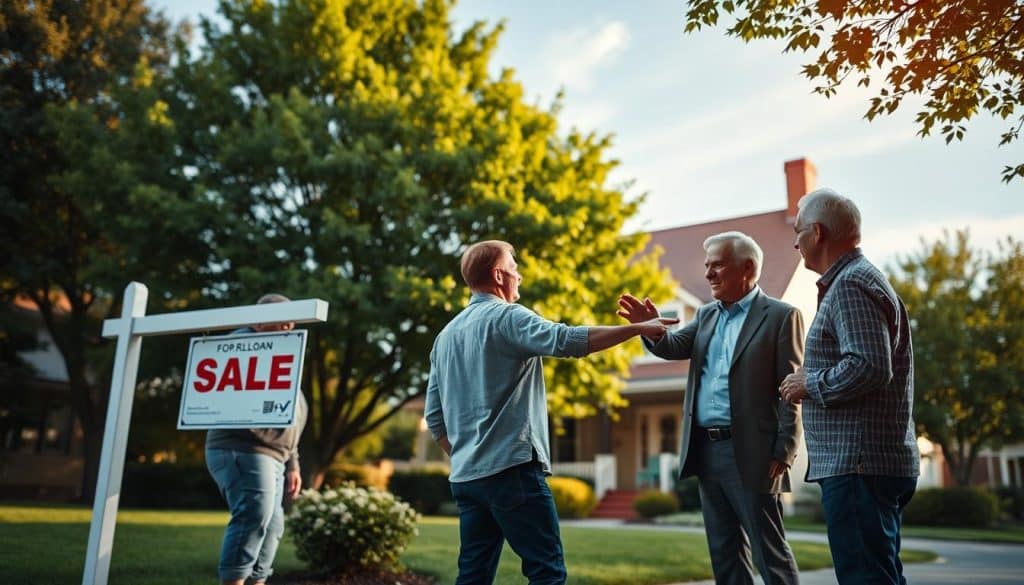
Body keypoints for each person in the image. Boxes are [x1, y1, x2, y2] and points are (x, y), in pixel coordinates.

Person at [424, 240, 678, 585]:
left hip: (467, 479)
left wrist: (469, 456)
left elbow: (435, 419)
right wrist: (636, 329)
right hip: (511, 471)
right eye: (514, 267)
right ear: (499, 275)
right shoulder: (506, 316)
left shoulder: (445, 336)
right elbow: (567, 340)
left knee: (473, 575)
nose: (520, 275)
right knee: (546, 571)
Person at [619, 231, 804, 585]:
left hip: (755, 453)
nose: (708, 274)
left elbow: (791, 387)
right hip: (707, 450)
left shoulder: (781, 316)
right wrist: (652, 330)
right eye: (707, 266)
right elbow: (672, 347)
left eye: (717, 265)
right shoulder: (705, 316)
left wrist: (785, 448)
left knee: (770, 554)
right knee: (725, 553)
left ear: (747, 268)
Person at [780, 189, 919, 585]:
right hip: (867, 463)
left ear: (818, 233)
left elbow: (871, 367)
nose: (795, 241)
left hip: (859, 465)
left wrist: (811, 382)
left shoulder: (851, 285)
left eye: (799, 231)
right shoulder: (856, 280)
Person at [205, 293, 309, 585]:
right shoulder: (244, 347)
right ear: (258, 322)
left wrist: (293, 464)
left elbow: (288, 414)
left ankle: (257, 580)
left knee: (273, 525)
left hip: (277, 456)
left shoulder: (284, 354)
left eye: (292, 322)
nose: (289, 327)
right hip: (243, 449)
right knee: (254, 515)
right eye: (283, 321)